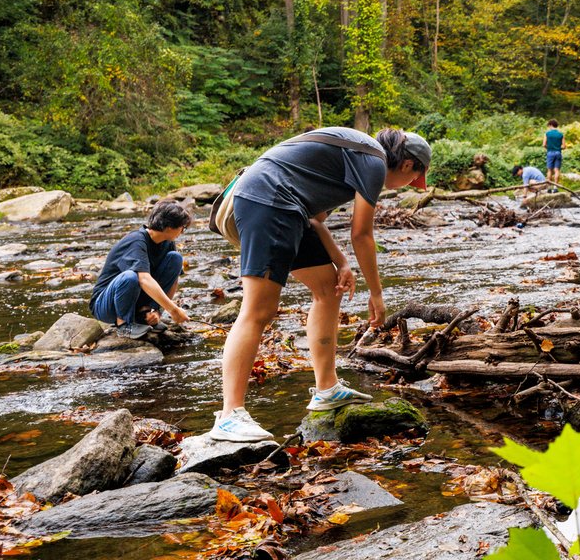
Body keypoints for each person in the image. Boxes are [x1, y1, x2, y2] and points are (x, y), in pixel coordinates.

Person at [209, 126, 431, 443]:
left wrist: (341, 264)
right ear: (408, 165)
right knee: (259, 309)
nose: (408, 185)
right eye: (413, 179)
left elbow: (316, 220)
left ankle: (327, 389)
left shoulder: (357, 157)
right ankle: (230, 416)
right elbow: (362, 234)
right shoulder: (373, 161)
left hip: (288, 207)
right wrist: (377, 294)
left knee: (328, 289)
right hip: (268, 200)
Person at [90, 199, 192, 339]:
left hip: (135, 300)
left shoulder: (168, 243)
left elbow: (173, 280)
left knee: (176, 258)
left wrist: (157, 311)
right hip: (106, 305)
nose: (182, 231)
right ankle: (123, 325)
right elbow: (144, 279)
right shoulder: (136, 241)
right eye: (182, 227)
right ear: (169, 227)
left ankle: (144, 315)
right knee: (131, 276)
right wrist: (173, 310)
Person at [542, 119, 565, 190]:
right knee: (557, 170)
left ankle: (549, 187)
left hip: (550, 152)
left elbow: (544, 144)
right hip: (558, 153)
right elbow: (564, 146)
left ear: (550, 125)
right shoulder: (561, 134)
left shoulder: (547, 134)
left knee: (549, 170)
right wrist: (558, 148)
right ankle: (555, 187)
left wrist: (549, 148)